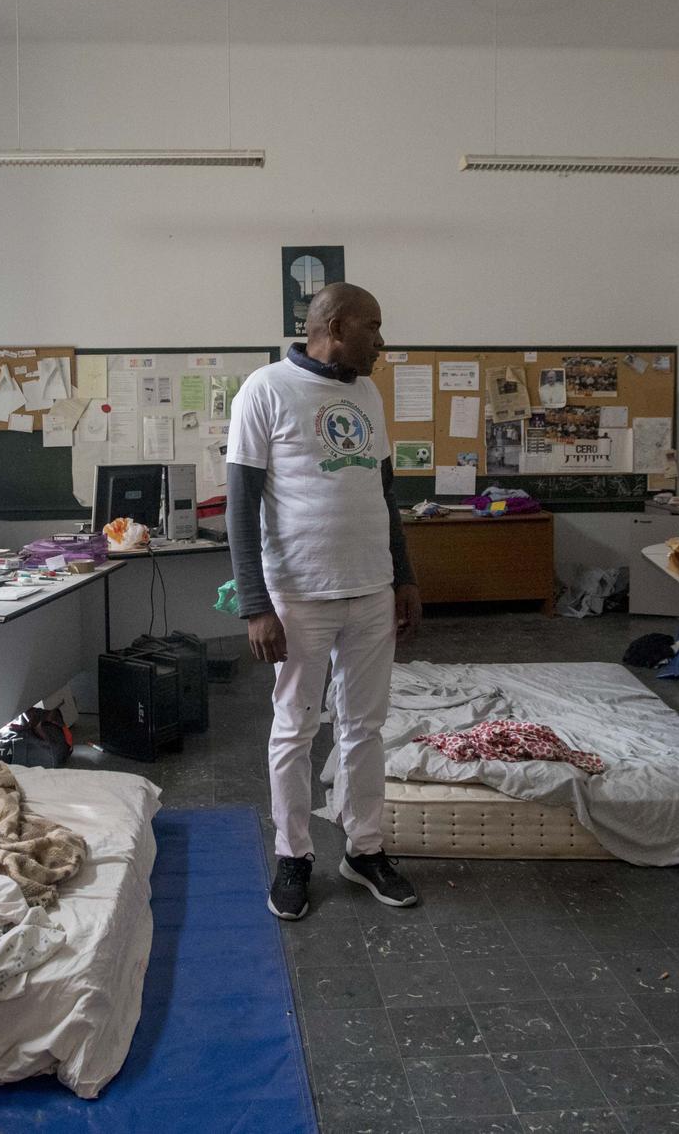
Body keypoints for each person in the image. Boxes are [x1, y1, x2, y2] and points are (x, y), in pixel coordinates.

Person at [226, 283, 422, 920]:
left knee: (364, 727)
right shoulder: (266, 389)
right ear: (335, 327)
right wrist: (256, 605)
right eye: (373, 327)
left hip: (370, 591)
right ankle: (293, 855)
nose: (382, 342)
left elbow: (384, 495)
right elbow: (240, 506)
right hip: (299, 596)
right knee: (295, 729)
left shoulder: (366, 393)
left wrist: (405, 578)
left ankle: (363, 849)